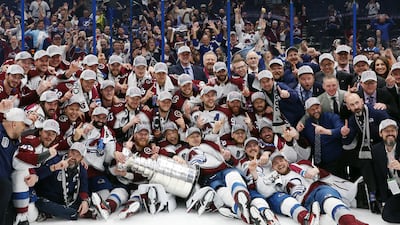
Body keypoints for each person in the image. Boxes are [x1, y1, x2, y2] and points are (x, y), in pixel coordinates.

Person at [268, 151, 368, 225]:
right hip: (306, 204)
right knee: (326, 220)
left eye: (281, 160)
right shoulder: (276, 181)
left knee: (330, 202)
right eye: (275, 163)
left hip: (318, 190)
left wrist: (317, 171)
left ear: (286, 161)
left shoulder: (300, 165)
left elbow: (322, 175)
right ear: (273, 168)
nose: (279, 164)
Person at [34, 142, 95, 220]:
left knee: (83, 201)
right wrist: (54, 168)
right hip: (48, 198)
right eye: (72, 153)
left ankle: (65, 212)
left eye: (77, 155)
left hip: (65, 202)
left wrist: (85, 201)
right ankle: (73, 213)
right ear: (68, 151)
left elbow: (84, 188)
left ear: (81, 158)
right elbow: (38, 175)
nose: (73, 157)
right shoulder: (55, 161)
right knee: (40, 203)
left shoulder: (82, 169)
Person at [0, 108, 32, 225]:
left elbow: (21, 162)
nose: (24, 128)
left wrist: (32, 174)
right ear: (14, 124)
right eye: (23, 124)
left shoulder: (15, 141)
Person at [371, 119, 400, 223]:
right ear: (380, 133)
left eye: (393, 131)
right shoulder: (376, 150)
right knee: (386, 215)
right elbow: (378, 176)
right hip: (394, 192)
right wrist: (382, 200)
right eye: (387, 131)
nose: (390, 134)